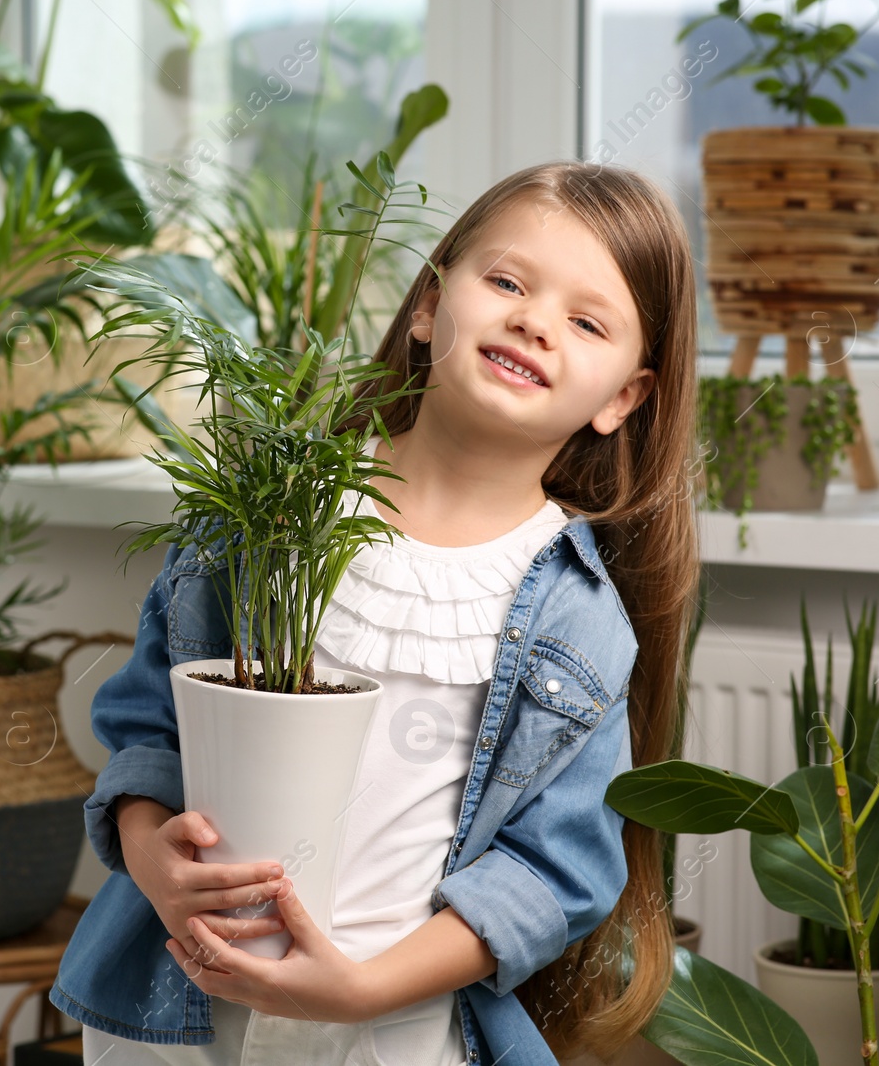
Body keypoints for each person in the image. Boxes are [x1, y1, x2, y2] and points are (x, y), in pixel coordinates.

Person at [48, 160, 702, 1066]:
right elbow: (146, 727)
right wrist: (153, 861)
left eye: (586, 322)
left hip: (391, 1033)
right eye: (507, 281)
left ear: (624, 397)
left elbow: (553, 871)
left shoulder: (578, 621)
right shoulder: (269, 514)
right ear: (430, 304)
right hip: (178, 1011)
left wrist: (356, 989)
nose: (533, 320)